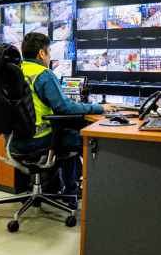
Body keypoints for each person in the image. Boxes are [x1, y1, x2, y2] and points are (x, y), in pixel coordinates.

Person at [15, 32, 117, 197]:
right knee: (83, 139)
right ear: (42, 53)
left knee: (66, 139)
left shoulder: (15, 70)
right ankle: (91, 192)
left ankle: (69, 187)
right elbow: (66, 108)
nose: (50, 57)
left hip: (15, 139)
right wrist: (100, 108)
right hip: (38, 138)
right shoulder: (43, 74)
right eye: (49, 52)